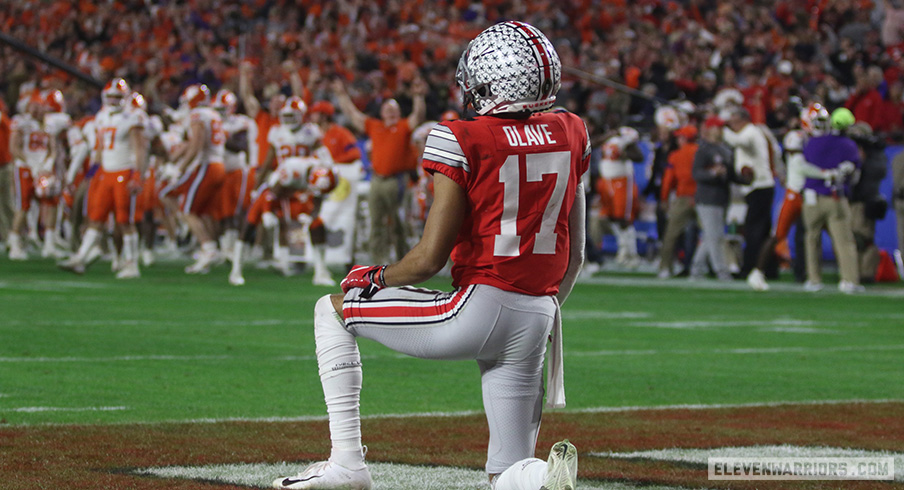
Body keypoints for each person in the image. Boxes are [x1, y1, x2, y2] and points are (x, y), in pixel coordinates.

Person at [272, 21, 583, 490]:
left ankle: (348, 465)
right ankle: (542, 476)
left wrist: (375, 275)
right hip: (540, 311)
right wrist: (539, 304)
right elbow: (576, 253)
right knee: (507, 473)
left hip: (478, 307)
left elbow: (429, 258)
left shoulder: (463, 137)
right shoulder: (571, 130)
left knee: (331, 311)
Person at [331, 74, 427, 264]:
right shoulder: (375, 126)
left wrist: (418, 97)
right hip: (377, 179)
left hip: (397, 180)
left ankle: (403, 261)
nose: (390, 113)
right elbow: (353, 114)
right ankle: (379, 261)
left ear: (398, 113)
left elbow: (418, 116)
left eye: (393, 110)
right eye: (387, 110)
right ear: (382, 113)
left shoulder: (402, 126)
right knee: (376, 222)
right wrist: (342, 95)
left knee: (398, 222)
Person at [59, 78, 148, 278]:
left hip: (124, 172)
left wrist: (137, 175)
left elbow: (139, 149)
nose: (114, 100)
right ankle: (80, 258)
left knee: (125, 220)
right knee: (96, 217)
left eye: (118, 97)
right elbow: (99, 150)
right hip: (105, 173)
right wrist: (91, 175)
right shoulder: (101, 117)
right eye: (111, 97)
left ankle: (132, 264)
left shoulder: (133, 117)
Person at [747, 103, 832, 291]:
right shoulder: (796, 138)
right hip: (795, 194)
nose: (822, 126)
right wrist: (827, 173)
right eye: (818, 122)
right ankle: (757, 272)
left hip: (812, 194)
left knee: (820, 234)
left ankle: (815, 276)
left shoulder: (818, 140)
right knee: (778, 234)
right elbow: (800, 165)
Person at [159, 84, 226, 274]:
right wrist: (175, 159)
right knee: (183, 203)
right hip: (215, 165)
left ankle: (207, 247)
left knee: (187, 209)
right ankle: (197, 237)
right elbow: (191, 143)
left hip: (207, 166)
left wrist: (178, 168)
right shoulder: (212, 114)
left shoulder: (198, 116)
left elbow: (197, 144)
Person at [800, 108, 863, 293]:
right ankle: (849, 280)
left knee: (811, 239)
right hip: (835, 197)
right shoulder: (848, 145)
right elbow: (855, 175)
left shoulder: (811, 142)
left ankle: (813, 279)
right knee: (844, 241)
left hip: (811, 198)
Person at [689, 116, 748, 280]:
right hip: (707, 198)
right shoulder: (704, 150)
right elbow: (696, 173)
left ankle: (697, 269)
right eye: (718, 127)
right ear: (709, 129)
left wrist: (744, 179)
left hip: (722, 197)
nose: (721, 130)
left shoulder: (726, 149)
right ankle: (721, 270)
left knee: (710, 236)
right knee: (715, 236)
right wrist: (712, 173)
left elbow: (731, 175)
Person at [722, 106, 777, 278]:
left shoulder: (750, 132)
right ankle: (768, 269)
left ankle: (750, 267)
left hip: (759, 186)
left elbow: (738, 141)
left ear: (743, 120)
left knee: (753, 229)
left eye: (734, 122)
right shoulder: (750, 132)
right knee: (763, 230)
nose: (732, 125)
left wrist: (721, 128)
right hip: (760, 186)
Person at [597, 126, 643, 267]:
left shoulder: (627, 136)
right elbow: (592, 144)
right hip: (606, 180)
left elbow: (639, 157)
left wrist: (626, 150)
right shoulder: (606, 136)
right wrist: (606, 135)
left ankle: (631, 254)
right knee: (611, 217)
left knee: (623, 218)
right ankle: (623, 249)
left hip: (622, 181)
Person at [657, 124, 699, 278]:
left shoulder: (675, 155)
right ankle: (726, 265)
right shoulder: (700, 152)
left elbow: (668, 180)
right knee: (711, 234)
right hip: (701, 198)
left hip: (683, 198)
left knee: (670, 235)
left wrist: (664, 198)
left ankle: (665, 267)